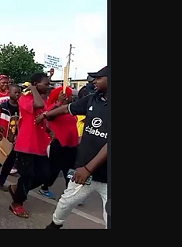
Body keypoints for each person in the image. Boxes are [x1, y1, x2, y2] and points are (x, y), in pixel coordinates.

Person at [37, 66, 109, 229]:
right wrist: (47, 115)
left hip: (101, 174)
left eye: (99, 78)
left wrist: (88, 169)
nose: (94, 81)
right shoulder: (93, 99)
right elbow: (68, 109)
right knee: (66, 202)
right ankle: (55, 225)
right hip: (83, 169)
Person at [8, 73, 52, 218]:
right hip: (26, 145)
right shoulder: (24, 99)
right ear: (35, 84)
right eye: (45, 84)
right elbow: (38, 105)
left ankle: (17, 188)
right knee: (27, 176)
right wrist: (32, 89)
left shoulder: (44, 100)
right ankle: (17, 204)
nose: (48, 86)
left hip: (40, 145)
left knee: (46, 175)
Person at [37, 86, 78, 199]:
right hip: (59, 144)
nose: (71, 98)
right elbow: (47, 114)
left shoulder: (70, 109)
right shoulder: (55, 108)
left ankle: (70, 191)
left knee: (70, 170)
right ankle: (44, 187)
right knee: (54, 169)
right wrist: (59, 102)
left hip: (72, 144)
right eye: (70, 95)